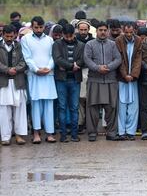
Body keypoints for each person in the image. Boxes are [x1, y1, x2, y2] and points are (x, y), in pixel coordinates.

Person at [21, 16, 58, 144]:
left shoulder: (49, 39)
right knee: (35, 105)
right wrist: (36, 70)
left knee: (48, 105)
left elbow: (53, 56)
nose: (38, 29)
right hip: (34, 75)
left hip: (48, 75)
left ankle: (49, 134)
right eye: (36, 27)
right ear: (32, 26)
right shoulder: (25, 39)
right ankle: (36, 133)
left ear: (44, 27)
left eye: (41, 27)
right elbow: (27, 57)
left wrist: (48, 68)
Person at [83, 21, 122, 141]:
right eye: (100, 30)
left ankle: (111, 133)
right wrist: (97, 68)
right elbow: (87, 59)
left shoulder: (113, 44)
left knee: (111, 108)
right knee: (93, 108)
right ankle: (92, 133)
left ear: (108, 31)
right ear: (96, 31)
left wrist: (108, 67)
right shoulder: (89, 44)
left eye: (105, 30)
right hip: (95, 80)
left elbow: (118, 59)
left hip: (110, 80)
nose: (103, 32)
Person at [52, 24, 84, 142]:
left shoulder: (81, 45)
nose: (69, 38)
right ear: (62, 34)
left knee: (74, 108)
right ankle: (64, 135)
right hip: (61, 80)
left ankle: (74, 135)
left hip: (75, 80)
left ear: (74, 34)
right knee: (62, 107)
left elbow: (83, 59)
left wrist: (74, 65)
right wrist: (73, 66)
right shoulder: (57, 44)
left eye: (71, 36)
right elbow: (57, 59)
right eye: (66, 36)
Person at [0, 25, 28, 146]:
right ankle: (5, 137)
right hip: (4, 81)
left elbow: (24, 61)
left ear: (15, 35)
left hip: (17, 80)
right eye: (7, 36)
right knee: (4, 110)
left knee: (19, 108)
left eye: (12, 36)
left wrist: (15, 69)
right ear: (2, 35)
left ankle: (19, 135)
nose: (10, 38)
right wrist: (7, 70)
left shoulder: (19, 45)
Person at [115, 22, 142, 141]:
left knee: (133, 105)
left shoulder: (138, 40)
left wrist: (133, 75)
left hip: (134, 78)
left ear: (134, 31)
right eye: (127, 33)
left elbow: (138, 58)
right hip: (122, 78)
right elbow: (119, 58)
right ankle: (121, 132)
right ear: (123, 31)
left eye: (131, 32)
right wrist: (125, 74)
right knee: (121, 105)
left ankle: (131, 132)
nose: (129, 35)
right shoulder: (118, 40)